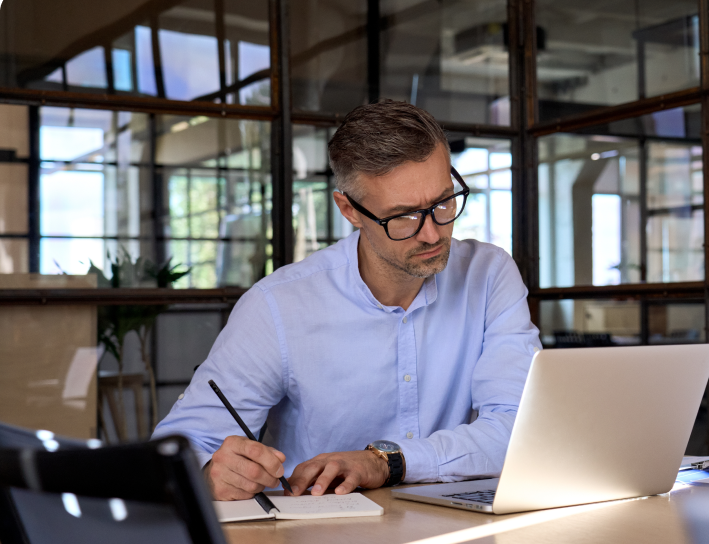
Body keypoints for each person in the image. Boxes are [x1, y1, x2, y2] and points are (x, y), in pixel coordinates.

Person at [152, 100, 541, 501]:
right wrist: (208, 471)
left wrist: (386, 461)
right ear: (349, 210)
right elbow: (177, 448)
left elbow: (520, 427)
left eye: (443, 202)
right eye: (404, 216)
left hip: (458, 530)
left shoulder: (489, 273)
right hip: (319, 537)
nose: (432, 234)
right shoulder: (279, 306)